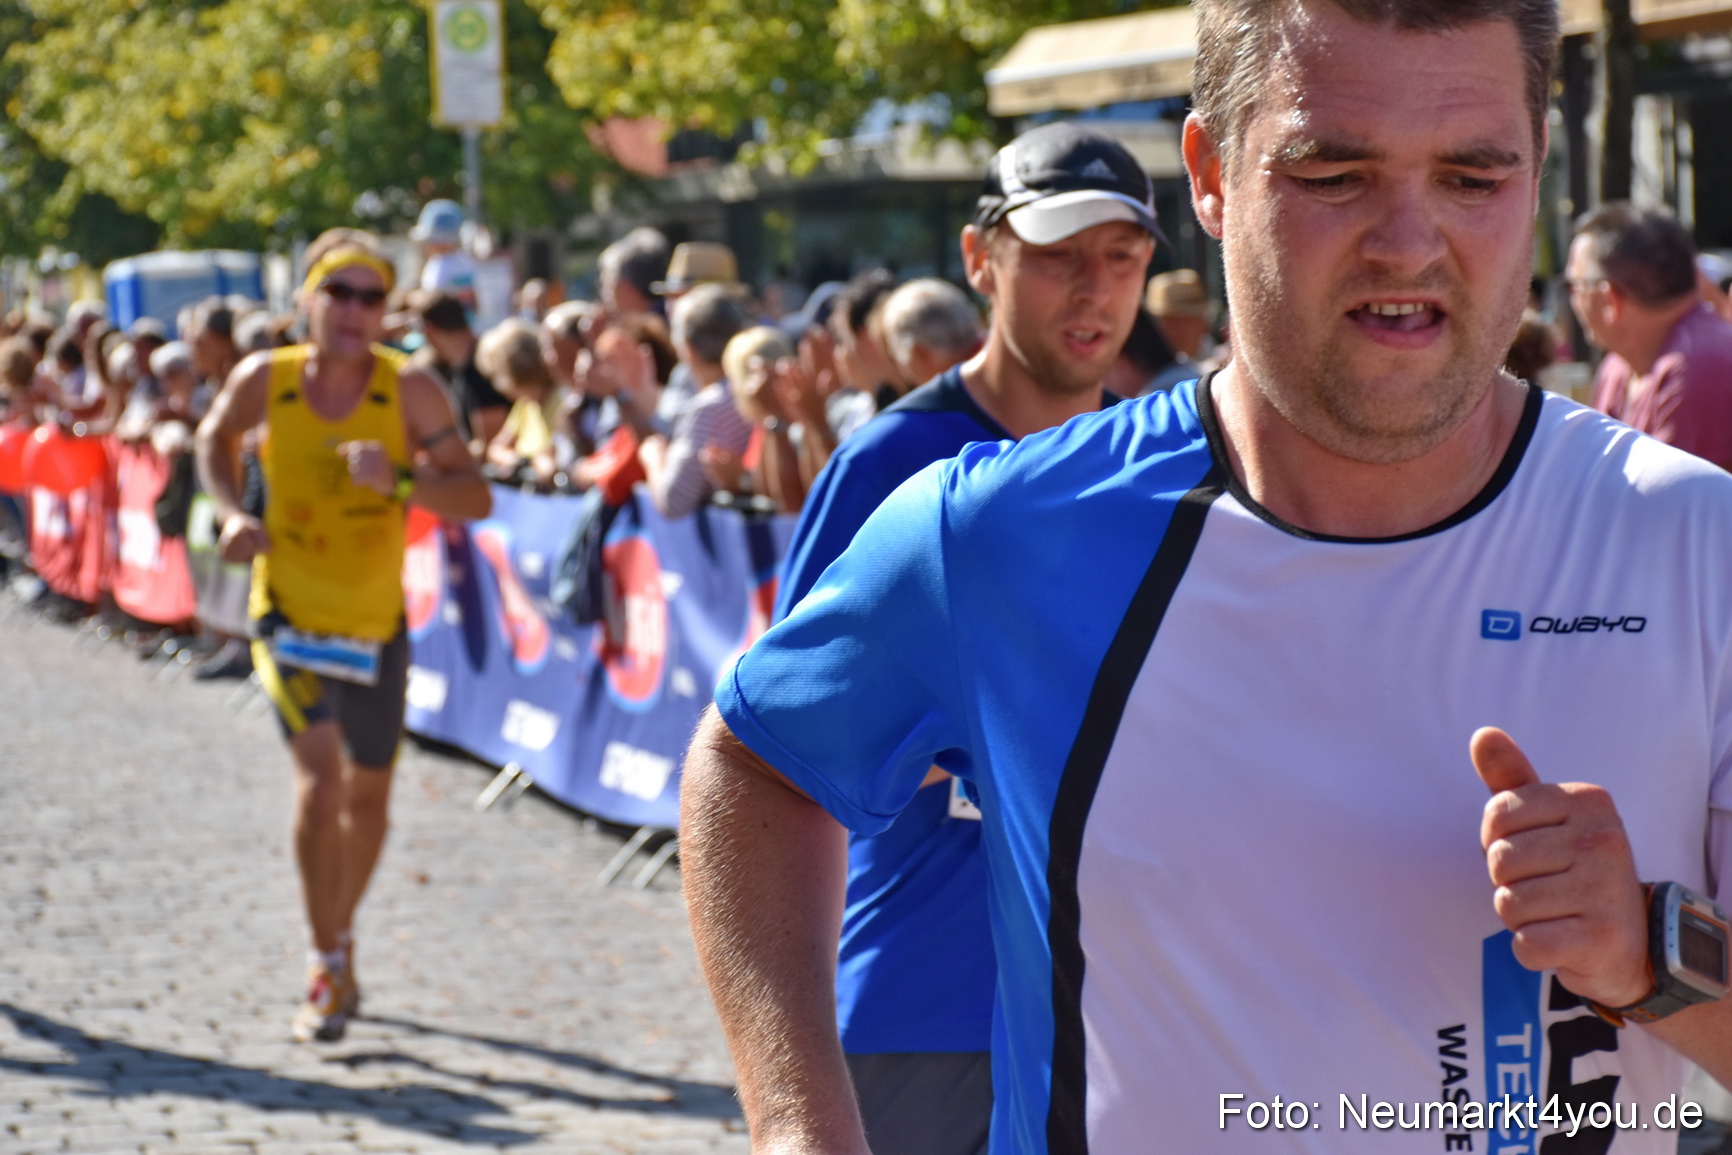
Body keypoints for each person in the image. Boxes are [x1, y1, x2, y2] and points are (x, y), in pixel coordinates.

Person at [681, 3, 1732, 1153]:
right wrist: (796, 1128)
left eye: (1473, 177)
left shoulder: (1693, 547)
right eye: (1333, 173)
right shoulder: (1003, 532)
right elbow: (755, 765)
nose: (1407, 241)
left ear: (1538, 167)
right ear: (1209, 173)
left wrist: (1647, 963)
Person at [733, 122, 1157, 1155]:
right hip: (923, 1004)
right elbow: (782, 748)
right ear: (981, 259)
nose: (1094, 289)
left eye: (1122, 258)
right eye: (1058, 256)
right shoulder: (898, 463)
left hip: (1118, 1015)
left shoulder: (1154, 464)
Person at [195, 227, 490, 1044]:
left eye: (371, 297)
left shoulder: (413, 390)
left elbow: (476, 497)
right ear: (307, 302)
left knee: (369, 800)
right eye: (340, 293)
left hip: (375, 625)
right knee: (321, 786)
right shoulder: (267, 378)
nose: (356, 311)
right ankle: (326, 958)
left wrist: (399, 478)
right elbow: (211, 437)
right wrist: (229, 511)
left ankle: (340, 934)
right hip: (286, 613)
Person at [1570, 202, 1732, 472]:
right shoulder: (1618, 367)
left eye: (1573, 286)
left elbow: (1670, 505)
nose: (1573, 301)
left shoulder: (1699, 367)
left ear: (1609, 300)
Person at [634, 283, 750, 518]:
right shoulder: (755, 390)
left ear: (688, 348)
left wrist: (652, 458)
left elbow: (674, 501)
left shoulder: (708, 408)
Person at [410, 290, 509, 458]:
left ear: (430, 331)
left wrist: (435, 454)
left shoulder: (480, 368)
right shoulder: (464, 364)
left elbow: (488, 445)